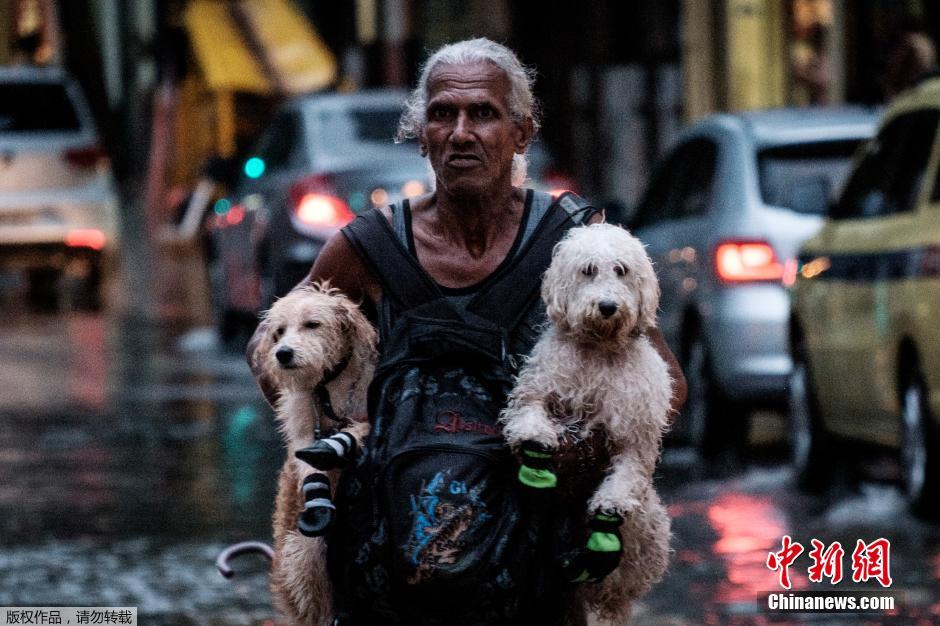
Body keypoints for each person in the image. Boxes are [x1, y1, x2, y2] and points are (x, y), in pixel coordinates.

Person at [247, 37, 687, 624]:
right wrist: (354, 439)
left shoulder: (574, 241)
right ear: (421, 134)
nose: (460, 132)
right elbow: (276, 364)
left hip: (537, 572)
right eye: (441, 114)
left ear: (522, 133)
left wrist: (585, 452)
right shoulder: (365, 248)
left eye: (482, 113)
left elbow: (668, 385)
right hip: (392, 566)